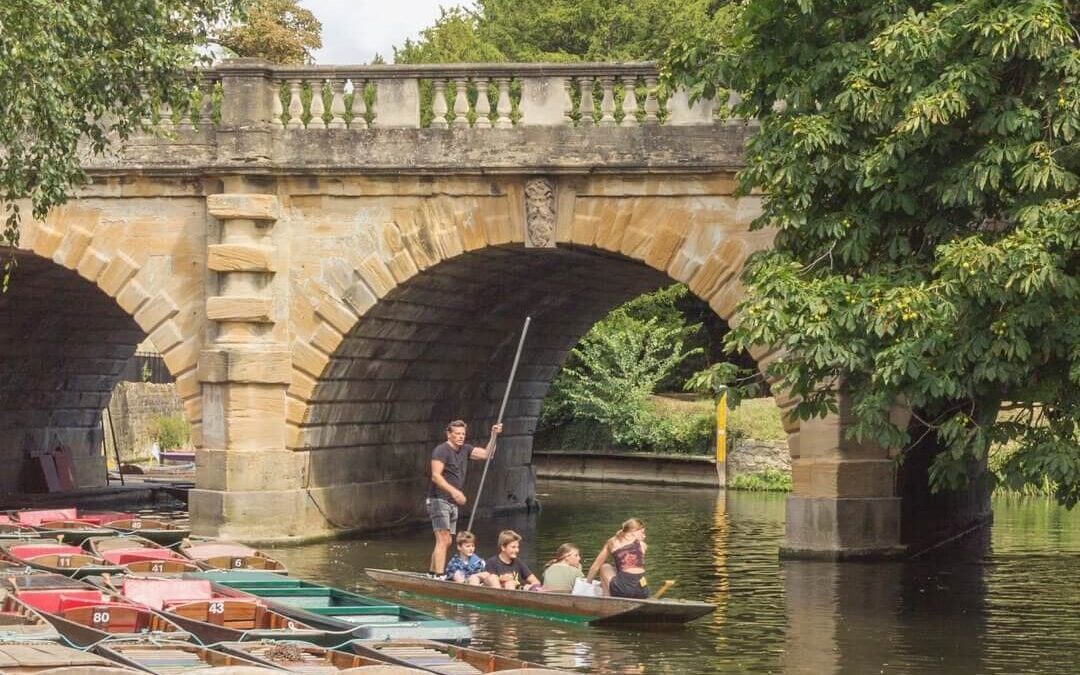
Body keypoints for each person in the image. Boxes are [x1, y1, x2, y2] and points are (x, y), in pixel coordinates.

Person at [427, 419, 502, 578]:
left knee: (446, 541)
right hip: (438, 499)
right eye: (457, 434)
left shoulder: (466, 449)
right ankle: (440, 575)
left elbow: (488, 455)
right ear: (449, 434)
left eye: (463, 434)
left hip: (452, 502)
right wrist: (454, 491)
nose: (461, 437)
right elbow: (435, 476)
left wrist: (494, 436)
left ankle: (432, 573)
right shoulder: (441, 450)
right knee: (443, 538)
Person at [585, 517, 649, 599]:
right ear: (633, 532)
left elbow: (595, 566)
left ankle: (607, 599)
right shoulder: (643, 545)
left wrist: (587, 584)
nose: (644, 535)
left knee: (605, 567)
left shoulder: (612, 542)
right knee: (619, 571)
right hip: (643, 591)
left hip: (624, 590)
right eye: (642, 532)